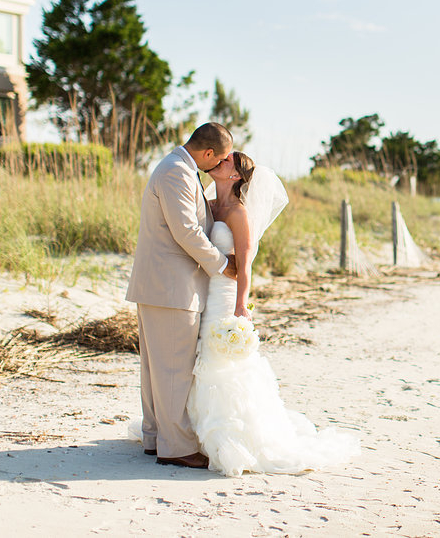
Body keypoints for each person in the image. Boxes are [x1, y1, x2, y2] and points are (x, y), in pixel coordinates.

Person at [187, 151, 360, 477]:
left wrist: (241, 307)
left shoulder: (238, 213)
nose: (219, 163)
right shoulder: (209, 207)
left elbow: (246, 266)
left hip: (225, 298)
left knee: (221, 362)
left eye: (227, 162)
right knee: (198, 360)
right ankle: (191, 434)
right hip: (201, 294)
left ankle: (228, 436)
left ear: (236, 175)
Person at [126, 122, 237, 469]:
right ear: (206, 153)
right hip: (171, 286)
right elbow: (185, 230)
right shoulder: (176, 172)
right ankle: (175, 447)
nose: (218, 165)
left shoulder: (178, 168)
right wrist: (221, 265)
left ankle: (154, 435)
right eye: (217, 160)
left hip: (162, 285)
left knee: (156, 368)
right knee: (173, 368)